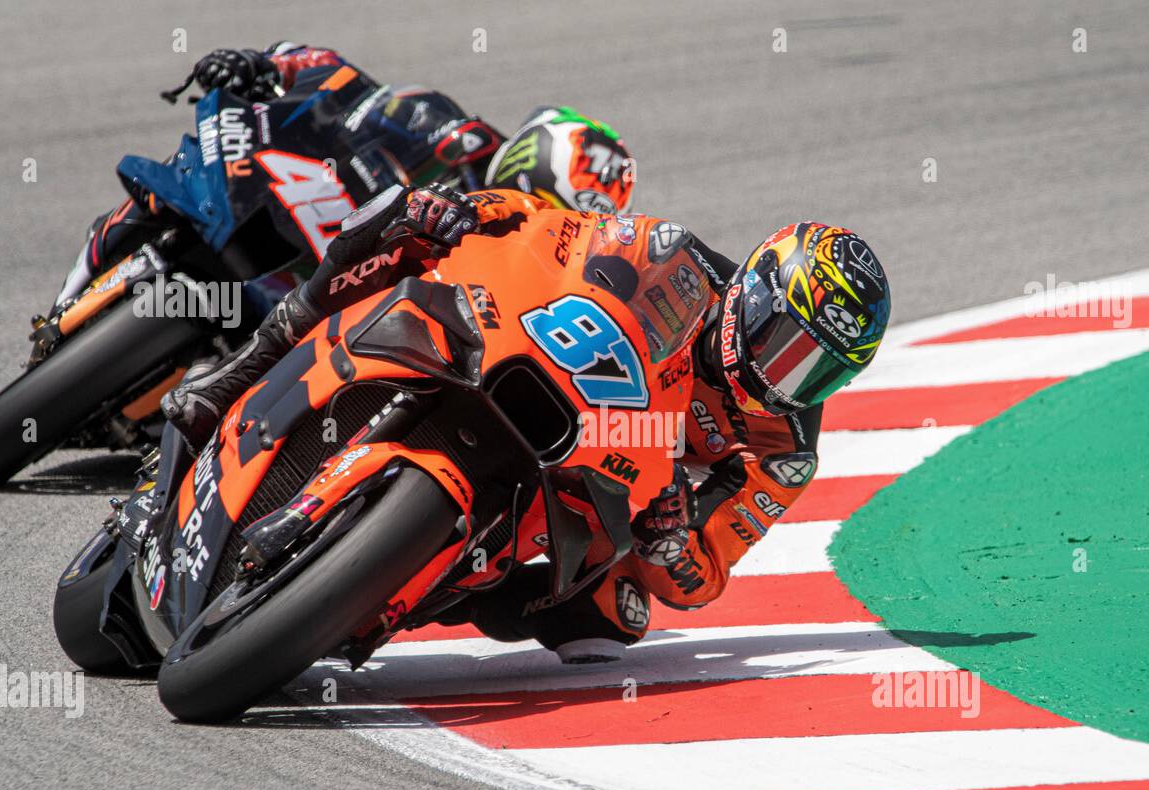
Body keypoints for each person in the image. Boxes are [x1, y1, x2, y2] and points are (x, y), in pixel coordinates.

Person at [161, 181, 892, 665]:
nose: (786, 376)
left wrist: (671, 542)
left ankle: (390, 594)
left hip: (615, 482)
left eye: (817, 370)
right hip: (557, 374)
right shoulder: (682, 260)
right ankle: (246, 365)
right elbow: (559, 231)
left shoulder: (785, 448)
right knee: (409, 220)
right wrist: (475, 210)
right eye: (786, 344)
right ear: (755, 294)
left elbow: (702, 582)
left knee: (618, 618)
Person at [53, 42, 634, 308]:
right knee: (166, 192)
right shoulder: (452, 131)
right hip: (293, 214)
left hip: (330, 309)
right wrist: (268, 65)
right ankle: (68, 296)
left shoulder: (523, 267)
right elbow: (341, 81)